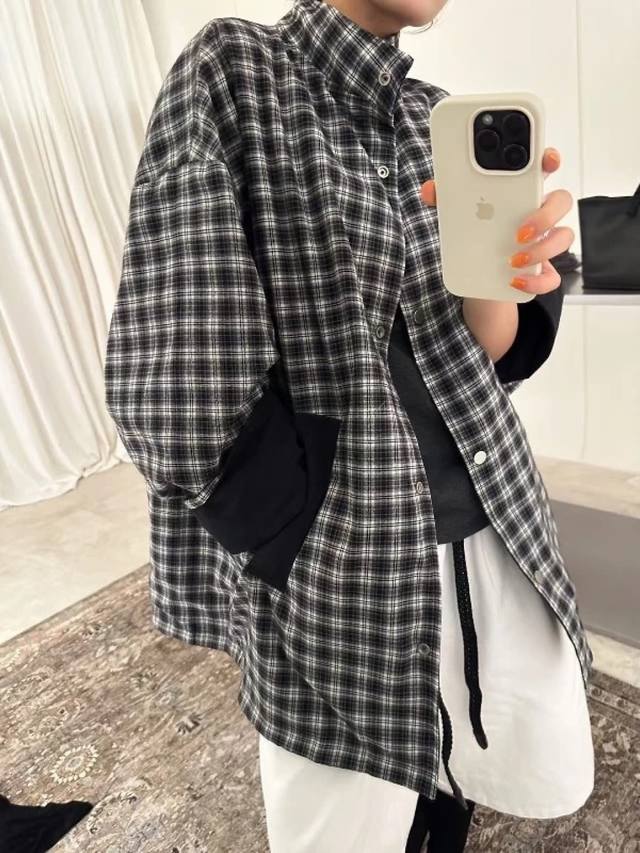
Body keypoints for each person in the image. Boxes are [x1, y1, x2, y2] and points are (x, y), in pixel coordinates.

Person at [103, 0, 596, 850]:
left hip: (495, 531)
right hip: (344, 564)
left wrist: (500, 287)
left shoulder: (433, 118)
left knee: (457, 780)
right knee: (350, 820)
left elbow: (485, 357)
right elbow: (176, 379)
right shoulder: (238, 72)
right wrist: (287, 539)